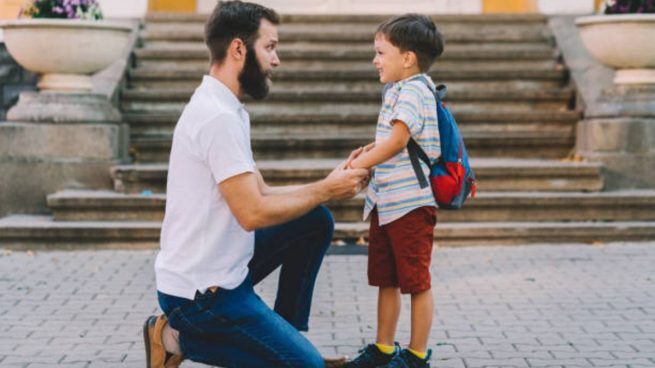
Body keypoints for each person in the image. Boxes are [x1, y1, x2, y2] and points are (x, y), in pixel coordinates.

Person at [142, 1, 370, 367]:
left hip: (225, 269)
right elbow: (252, 213)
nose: (275, 60)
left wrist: (328, 183)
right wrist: (327, 189)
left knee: (315, 220)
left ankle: (287, 339)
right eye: (270, 47)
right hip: (200, 296)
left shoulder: (227, 108)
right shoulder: (217, 117)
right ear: (238, 49)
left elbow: (260, 193)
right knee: (306, 366)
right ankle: (173, 337)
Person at [344, 14, 444, 368]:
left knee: (416, 282)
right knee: (386, 279)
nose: (375, 60)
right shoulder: (398, 90)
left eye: (380, 52)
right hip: (386, 203)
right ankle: (383, 348)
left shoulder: (416, 89)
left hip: (411, 206)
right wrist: (368, 154)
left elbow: (399, 140)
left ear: (408, 58)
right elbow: (391, 141)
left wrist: (362, 164)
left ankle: (416, 356)